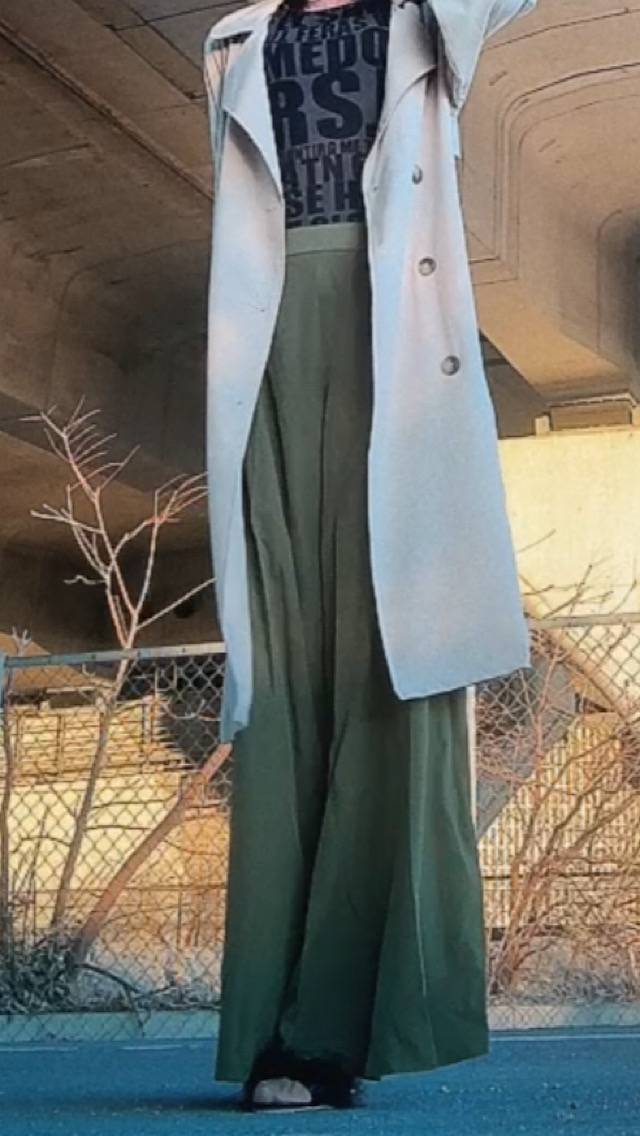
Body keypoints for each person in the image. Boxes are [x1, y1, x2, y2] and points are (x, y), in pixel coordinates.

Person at [203, 0, 536, 1111]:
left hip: (392, 334)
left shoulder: (432, 18)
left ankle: (329, 1034)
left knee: (389, 673)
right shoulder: (239, 40)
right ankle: (271, 1031)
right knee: (283, 679)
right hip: (267, 345)